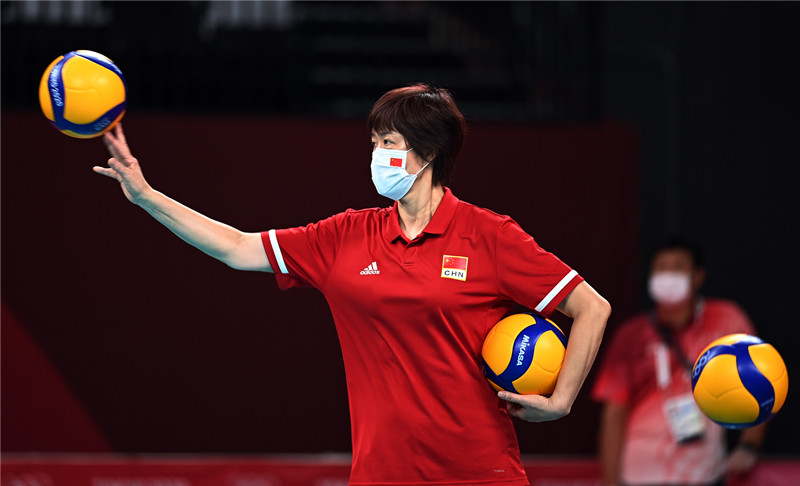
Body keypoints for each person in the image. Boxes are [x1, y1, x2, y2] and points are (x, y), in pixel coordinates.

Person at [94, 84, 611, 486]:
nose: (376, 154)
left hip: (478, 473)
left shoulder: (490, 235)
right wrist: (147, 197)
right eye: (374, 143)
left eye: (388, 143)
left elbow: (591, 307)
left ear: (428, 153)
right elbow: (237, 247)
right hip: (380, 475)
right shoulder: (345, 236)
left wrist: (562, 400)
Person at [592, 238, 767, 486]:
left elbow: (760, 382)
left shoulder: (727, 320)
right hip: (640, 474)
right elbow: (614, 414)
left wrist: (749, 445)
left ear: (698, 276)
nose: (668, 275)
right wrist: (611, 482)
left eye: (677, 266)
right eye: (661, 268)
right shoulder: (631, 335)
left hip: (704, 473)